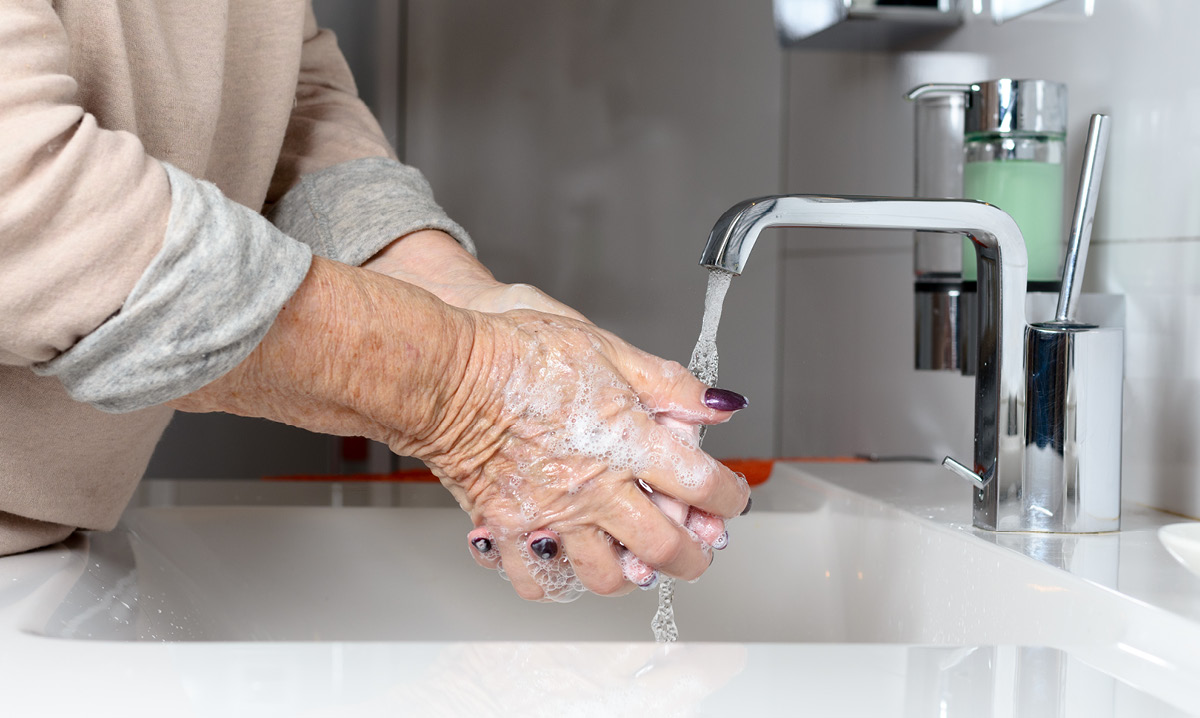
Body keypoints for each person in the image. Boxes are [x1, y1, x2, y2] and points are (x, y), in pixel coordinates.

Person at [0, 0, 750, 601]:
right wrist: (469, 387)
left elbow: (287, 102)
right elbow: (30, 210)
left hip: (46, 552)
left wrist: (466, 303)